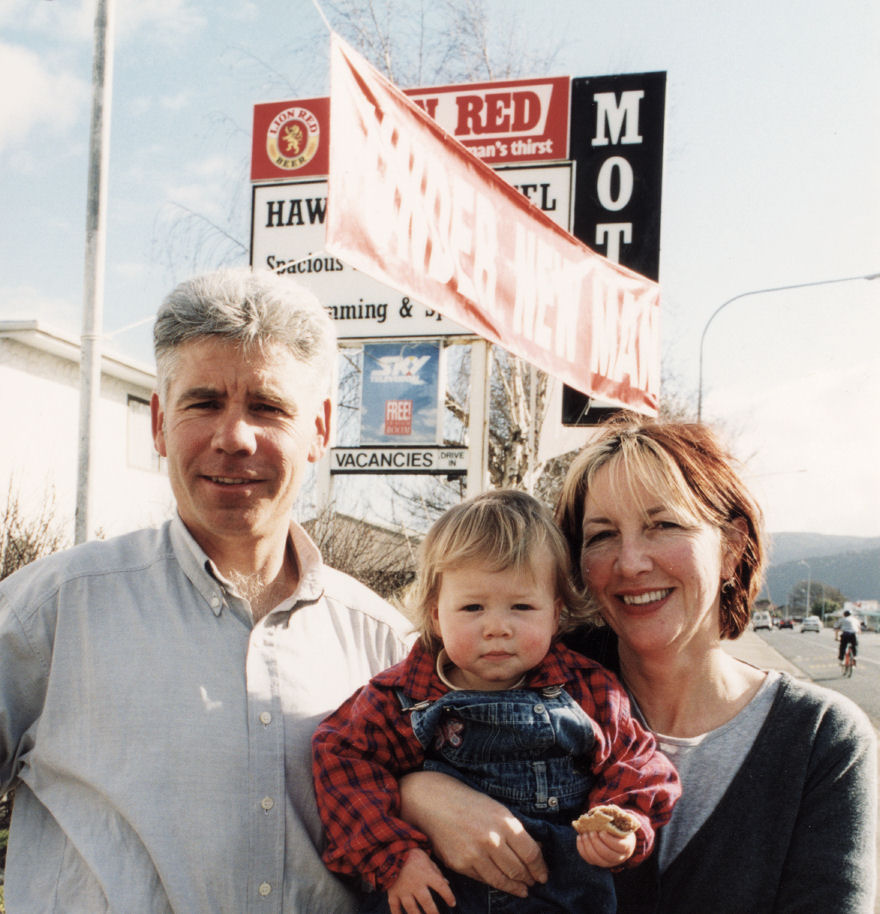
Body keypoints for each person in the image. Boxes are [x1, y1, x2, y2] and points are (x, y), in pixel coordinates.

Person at [0, 268, 413, 912]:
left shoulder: (385, 647)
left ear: (320, 429)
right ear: (159, 423)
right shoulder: (52, 612)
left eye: (268, 406)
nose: (234, 437)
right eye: (204, 403)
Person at [398, 419, 877, 914]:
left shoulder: (822, 739)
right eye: (602, 535)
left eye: (663, 525)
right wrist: (418, 794)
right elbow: (365, 742)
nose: (630, 563)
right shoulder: (519, 675)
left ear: (731, 547)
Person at [312, 489, 680, 914]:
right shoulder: (401, 698)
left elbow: (638, 764)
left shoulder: (587, 690)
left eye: (521, 606)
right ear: (436, 614)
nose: (497, 627)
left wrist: (622, 823)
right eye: (472, 607)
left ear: (555, 614)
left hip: (558, 898)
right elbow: (340, 757)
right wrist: (394, 858)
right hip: (435, 897)